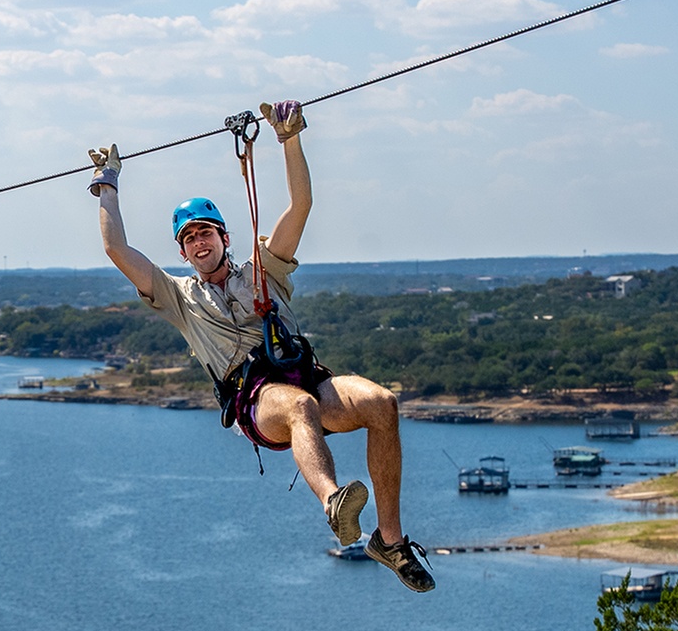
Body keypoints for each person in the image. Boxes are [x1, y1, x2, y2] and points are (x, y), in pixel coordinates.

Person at [88, 100, 433, 592]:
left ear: (223, 237)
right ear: (182, 252)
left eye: (205, 232)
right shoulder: (178, 297)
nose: (199, 242)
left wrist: (289, 138)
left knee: (382, 403)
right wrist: (107, 185)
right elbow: (116, 249)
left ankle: (391, 540)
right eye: (189, 239)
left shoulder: (263, 269)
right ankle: (334, 501)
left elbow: (301, 207)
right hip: (257, 399)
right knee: (298, 408)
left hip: (307, 376)